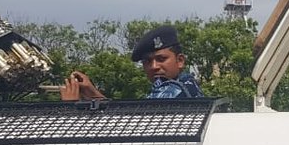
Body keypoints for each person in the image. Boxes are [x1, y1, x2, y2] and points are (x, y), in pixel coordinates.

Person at [60, 25, 203, 101]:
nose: (154, 67)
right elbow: (127, 117)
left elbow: (128, 126)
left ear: (180, 61)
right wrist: (93, 94)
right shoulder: (186, 84)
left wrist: (71, 107)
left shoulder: (174, 90)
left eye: (161, 59)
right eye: (147, 61)